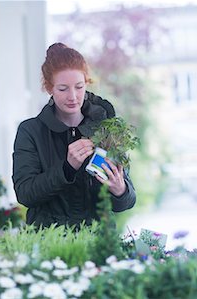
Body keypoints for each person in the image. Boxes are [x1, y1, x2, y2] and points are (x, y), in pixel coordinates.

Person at [12, 42, 136, 228]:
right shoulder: (30, 131)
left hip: (98, 244)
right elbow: (25, 194)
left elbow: (126, 202)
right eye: (63, 89)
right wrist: (67, 168)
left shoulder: (106, 129)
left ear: (87, 83)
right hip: (49, 244)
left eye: (79, 87)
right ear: (49, 88)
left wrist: (120, 190)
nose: (73, 96)